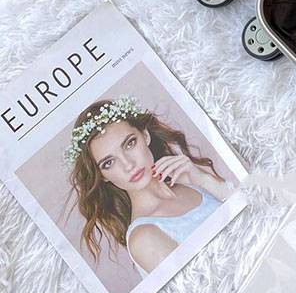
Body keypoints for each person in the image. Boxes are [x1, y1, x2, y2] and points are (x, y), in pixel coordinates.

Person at [65, 96, 233, 275]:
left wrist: (203, 180)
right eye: (109, 163)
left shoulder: (191, 182)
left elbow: (251, 204)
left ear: (145, 136)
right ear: (102, 176)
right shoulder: (144, 238)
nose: (128, 165)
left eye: (130, 144)